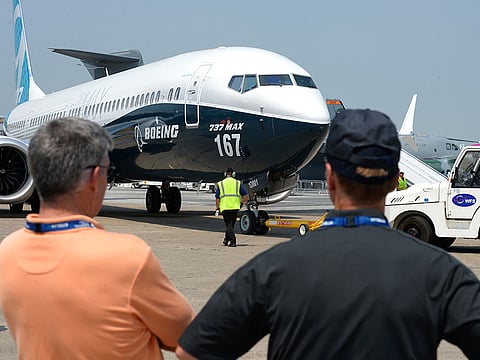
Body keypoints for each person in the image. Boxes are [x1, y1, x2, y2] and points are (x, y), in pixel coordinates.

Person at [176, 109, 480, 359]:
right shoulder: (441, 273)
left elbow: (192, 353)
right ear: (392, 183)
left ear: (330, 177)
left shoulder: (271, 270)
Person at [0, 118, 194, 359]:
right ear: (93, 178)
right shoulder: (127, 257)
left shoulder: (8, 251)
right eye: (107, 171)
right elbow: (189, 337)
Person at [215, 167, 249, 247]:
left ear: (225, 173)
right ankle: (226, 240)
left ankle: (233, 241)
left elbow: (217, 197)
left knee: (229, 225)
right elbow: (246, 196)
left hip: (225, 207)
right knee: (231, 225)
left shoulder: (221, 183)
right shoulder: (237, 183)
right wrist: (241, 203)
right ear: (233, 174)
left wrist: (217, 207)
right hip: (235, 207)